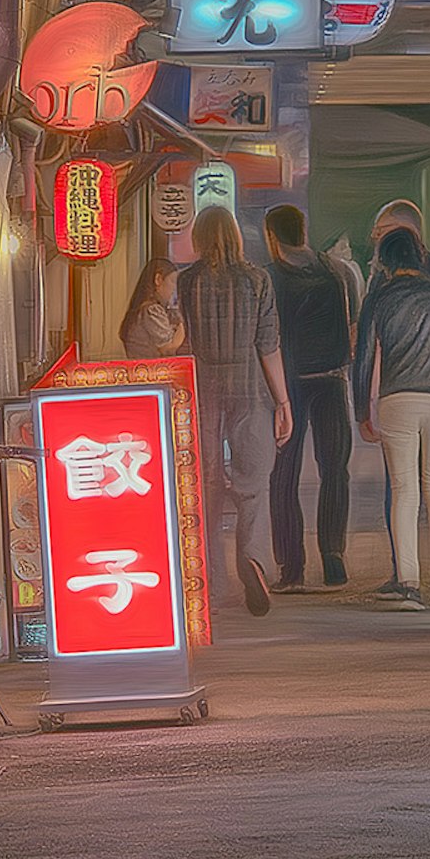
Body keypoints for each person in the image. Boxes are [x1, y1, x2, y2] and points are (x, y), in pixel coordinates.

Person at [354, 216, 430, 613]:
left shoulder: (379, 297)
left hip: (397, 401)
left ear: (385, 262)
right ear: (420, 255)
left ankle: (407, 582)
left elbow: (362, 360)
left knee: (404, 493)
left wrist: (362, 411)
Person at [173, 204, 289, 618]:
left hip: (200, 390)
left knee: (203, 487)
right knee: (254, 482)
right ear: (237, 236)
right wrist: (283, 401)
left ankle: (210, 584)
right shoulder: (258, 280)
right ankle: (253, 557)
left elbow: (178, 340)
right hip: (250, 389)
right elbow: (268, 345)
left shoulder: (187, 282)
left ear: (201, 238)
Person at [262, 199, 357, 590]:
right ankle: (333, 560)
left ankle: (292, 569)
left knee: (283, 475)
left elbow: (266, 338)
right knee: (335, 470)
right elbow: (352, 325)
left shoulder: (269, 277)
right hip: (333, 380)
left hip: (289, 386)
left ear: (272, 237)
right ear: (303, 231)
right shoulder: (337, 271)